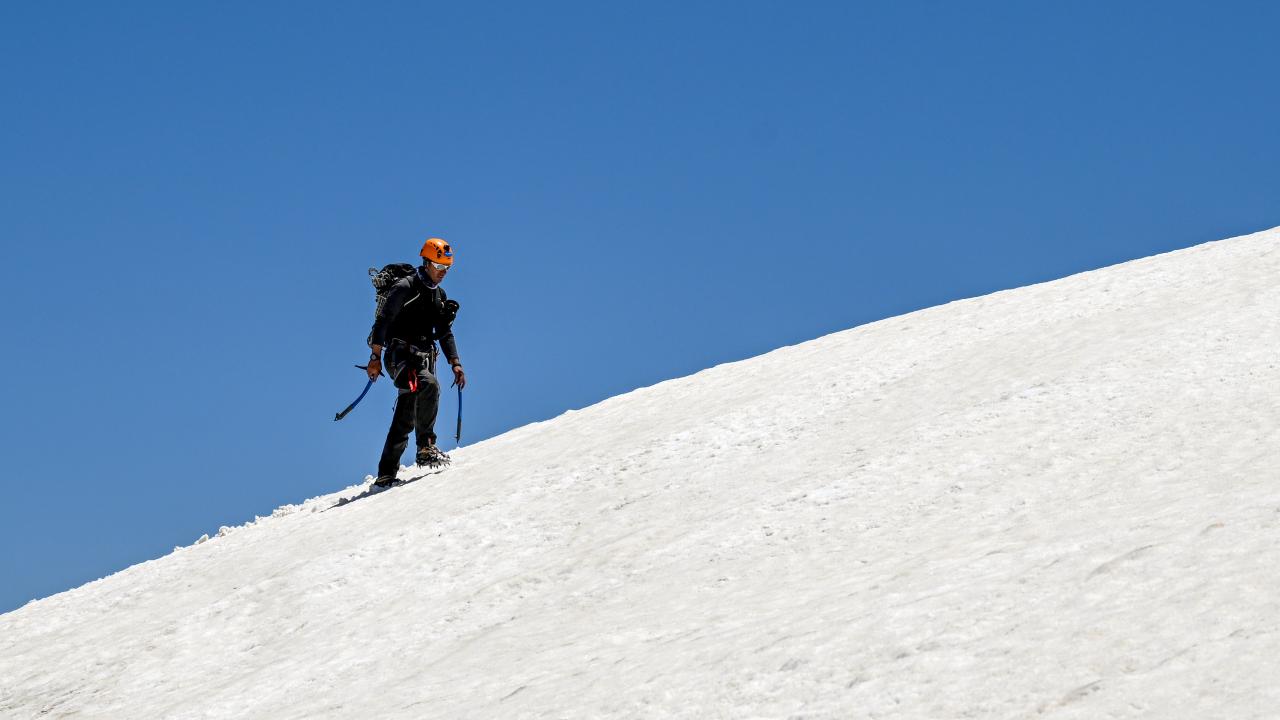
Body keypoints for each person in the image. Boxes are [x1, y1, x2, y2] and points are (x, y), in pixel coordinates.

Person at [366, 237, 466, 486]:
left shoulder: (438, 295)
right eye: (440, 266)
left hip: (421, 358)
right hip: (399, 357)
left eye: (447, 268)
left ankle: (385, 474)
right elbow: (383, 323)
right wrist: (375, 358)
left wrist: (455, 362)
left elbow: (444, 332)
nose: (443, 273)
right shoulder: (405, 287)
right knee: (429, 385)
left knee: (406, 414)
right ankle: (426, 447)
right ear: (427, 262)